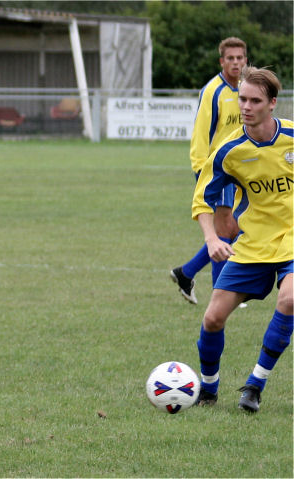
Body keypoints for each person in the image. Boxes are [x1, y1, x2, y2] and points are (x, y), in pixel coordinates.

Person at [191, 66, 292, 412]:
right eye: (242, 99)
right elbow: (202, 198)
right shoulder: (228, 150)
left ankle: (255, 385)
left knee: (290, 300)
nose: (246, 106)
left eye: (254, 100)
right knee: (213, 319)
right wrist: (211, 238)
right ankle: (208, 388)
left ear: (273, 103)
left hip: (292, 238)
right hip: (253, 243)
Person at [171, 37, 247, 305]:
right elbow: (201, 135)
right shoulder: (212, 91)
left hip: (243, 170)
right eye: (230, 58)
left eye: (240, 58)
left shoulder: (246, 90)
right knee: (226, 228)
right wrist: (201, 172)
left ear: (246, 60)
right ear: (222, 61)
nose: (236, 62)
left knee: (234, 229)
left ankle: (186, 273)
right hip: (218, 170)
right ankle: (222, 292)